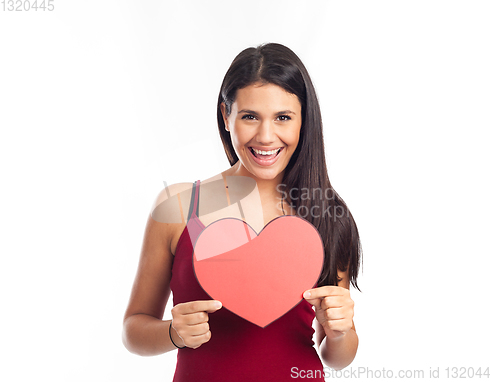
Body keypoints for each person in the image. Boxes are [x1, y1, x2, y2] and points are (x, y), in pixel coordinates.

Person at [122, 42, 362, 381]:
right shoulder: (177, 207)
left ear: (303, 121)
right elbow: (134, 329)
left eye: (283, 117)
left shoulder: (326, 213)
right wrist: (173, 334)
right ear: (226, 116)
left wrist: (341, 331)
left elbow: (337, 356)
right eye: (250, 116)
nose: (266, 136)